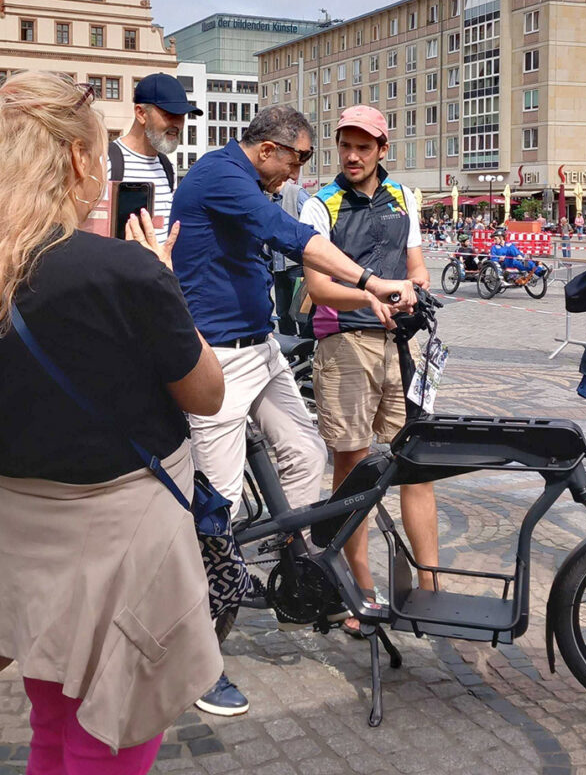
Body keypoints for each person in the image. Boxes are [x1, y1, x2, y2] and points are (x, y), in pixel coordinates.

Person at [0, 71, 225, 773]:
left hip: (21, 527)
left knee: (50, 722)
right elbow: (206, 395)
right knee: (114, 731)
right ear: (75, 159)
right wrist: (160, 276)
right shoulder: (122, 272)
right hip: (121, 534)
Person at [170, 104, 415, 714]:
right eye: (299, 158)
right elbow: (293, 237)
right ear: (269, 148)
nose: (300, 171)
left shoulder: (249, 177)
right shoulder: (221, 174)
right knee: (216, 510)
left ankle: (297, 576)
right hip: (218, 360)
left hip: (261, 348)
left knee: (307, 456)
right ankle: (199, 661)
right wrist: (367, 280)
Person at [300, 106, 439, 635]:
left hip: (399, 345)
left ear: (384, 149)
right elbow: (318, 290)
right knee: (353, 465)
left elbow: (417, 264)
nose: (353, 156)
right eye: (345, 145)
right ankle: (359, 586)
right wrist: (369, 293)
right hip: (346, 344)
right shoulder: (321, 205)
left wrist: (414, 287)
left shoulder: (404, 197)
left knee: (417, 460)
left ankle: (430, 589)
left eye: (364, 146)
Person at [107, 72, 202, 244]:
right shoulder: (105, 161)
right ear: (141, 113)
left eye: (182, 116)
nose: (178, 124)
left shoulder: (167, 167)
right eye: (170, 114)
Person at [271, 178, 310, 335]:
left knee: (302, 312)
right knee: (283, 313)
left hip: (297, 265)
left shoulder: (297, 193)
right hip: (278, 265)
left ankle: (306, 350)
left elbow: (311, 224)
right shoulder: (271, 200)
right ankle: (290, 352)